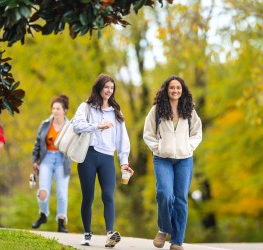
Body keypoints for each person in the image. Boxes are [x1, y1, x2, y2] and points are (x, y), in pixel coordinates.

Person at [73, 73, 133, 248]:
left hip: (107, 157)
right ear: (99, 87)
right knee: (88, 196)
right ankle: (87, 233)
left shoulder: (116, 112)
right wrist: (97, 126)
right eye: (106, 87)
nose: (109, 90)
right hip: (88, 156)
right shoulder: (86, 107)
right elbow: (76, 125)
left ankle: (110, 234)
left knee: (108, 195)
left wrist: (124, 162)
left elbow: (123, 139)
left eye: (112, 88)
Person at [143, 75, 202, 250]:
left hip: (184, 159)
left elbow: (197, 132)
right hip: (162, 159)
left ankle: (177, 241)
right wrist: (157, 147)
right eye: (172, 88)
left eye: (178, 88)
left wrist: (189, 147)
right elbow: (147, 133)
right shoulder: (156, 110)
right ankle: (163, 229)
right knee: (164, 194)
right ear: (166, 90)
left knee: (181, 199)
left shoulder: (189, 110)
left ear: (182, 90)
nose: (175, 90)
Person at [31, 94, 71, 233]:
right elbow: (37, 144)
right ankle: (43, 214)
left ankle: (61, 222)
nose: (55, 111)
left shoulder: (70, 127)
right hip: (46, 158)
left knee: (62, 193)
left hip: (62, 160)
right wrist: (34, 161)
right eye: (53, 108)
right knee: (43, 191)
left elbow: (75, 145)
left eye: (58, 108)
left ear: (65, 110)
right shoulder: (45, 124)